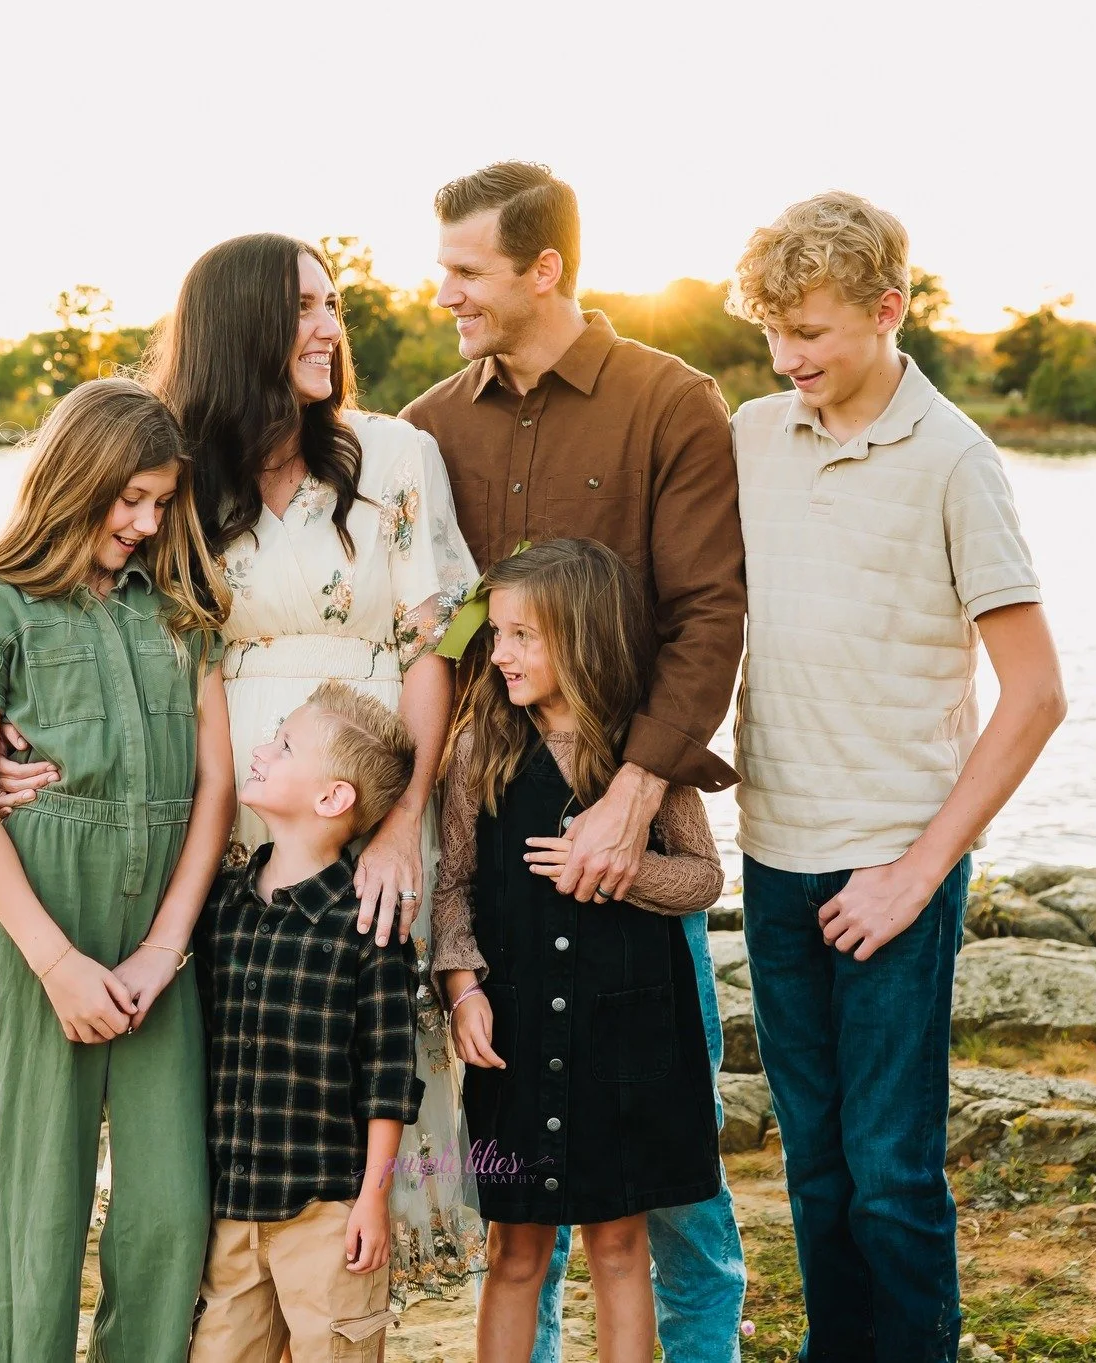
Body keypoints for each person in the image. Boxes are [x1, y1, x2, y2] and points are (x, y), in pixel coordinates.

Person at [0, 234, 485, 1298]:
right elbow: (43, 579)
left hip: (360, 806)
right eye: (302, 307)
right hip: (212, 812)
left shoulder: (394, 456)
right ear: (238, 326)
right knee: (234, 1086)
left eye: (332, 304)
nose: (328, 328)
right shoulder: (180, 476)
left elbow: (436, 645)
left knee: (357, 1060)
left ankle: (343, 1309)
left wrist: (402, 823)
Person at [402, 162, 746, 1363]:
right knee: (520, 1213)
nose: (444, 292)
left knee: (671, 1187)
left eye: (466, 270)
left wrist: (632, 803)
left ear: (542, 268)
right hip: (495, 845)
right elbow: (434, 630)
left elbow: (708, 616)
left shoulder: (668, 402)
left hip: (632, 835)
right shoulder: (428, 428)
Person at [725, 191, 1068, 1362]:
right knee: (814, 1171)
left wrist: (916, 875)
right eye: (771, 333)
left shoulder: (956, 460)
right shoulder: (751, 435)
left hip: (892, 870)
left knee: (888, 1176)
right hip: (770, 857)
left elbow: (1035, 694)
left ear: (887, 309)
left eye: (808, 332)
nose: (786, 358)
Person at [0, 378, 236, 1362]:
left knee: (170, 1208)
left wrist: (163, 949)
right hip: (38, 924)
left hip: (159, 942)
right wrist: (57, 964)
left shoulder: (182, 612)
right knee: (37, 1208)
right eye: (129, 498)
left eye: (161, 502)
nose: (145, 522)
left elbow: (215, 790)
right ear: (73, 480)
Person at [434, 538, 724, 1363]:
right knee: (515, 1252)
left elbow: (704, 876)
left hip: (628, 1043)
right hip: (516, 1041)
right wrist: (463, 989)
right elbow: (451, 886)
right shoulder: (477, 749)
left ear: (584, 636)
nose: (500, 653)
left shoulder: (646, 757)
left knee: (620, 1246)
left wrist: (621, 868)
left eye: (523, 636)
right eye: (496, 634)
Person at [189, 682, 424, 1363]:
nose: (262, 750)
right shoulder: (222, 905)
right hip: (233, 1208)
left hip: (329, 1213)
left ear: (332, 798)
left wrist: (373, 1199)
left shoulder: (367, 926)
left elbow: (388, 1077)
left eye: (284, 744)